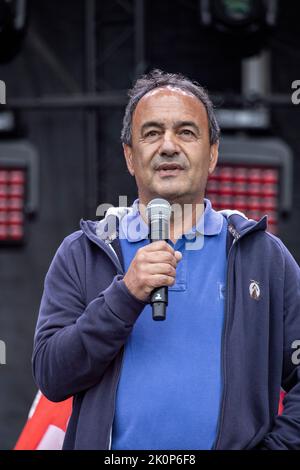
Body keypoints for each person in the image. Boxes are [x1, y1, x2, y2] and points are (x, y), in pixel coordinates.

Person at [32, 69, 300, 450]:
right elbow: (51, 376)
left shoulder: (263, 256)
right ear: (129, 155)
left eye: (186, 132)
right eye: (152, 133)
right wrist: (124, 296)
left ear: (212, 154)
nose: (169, 146)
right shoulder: (83, 252)